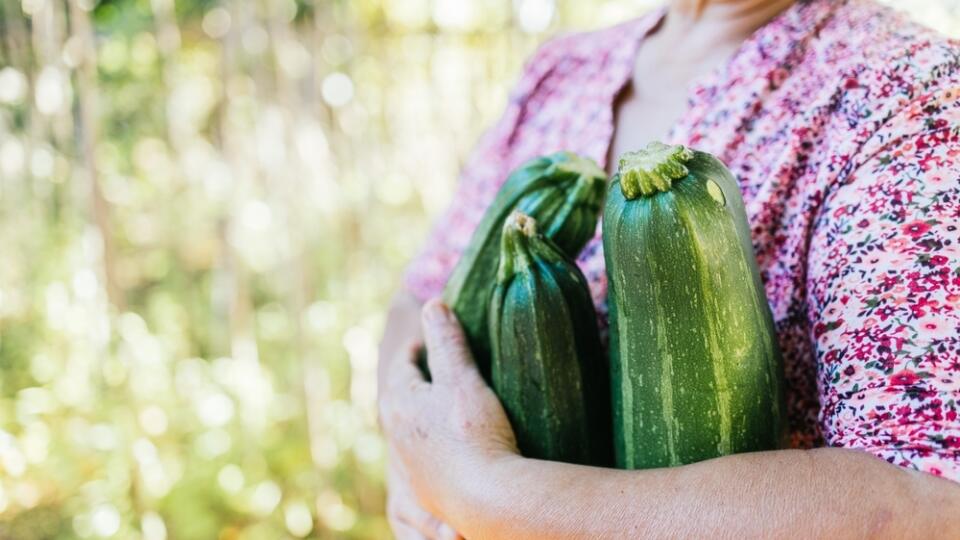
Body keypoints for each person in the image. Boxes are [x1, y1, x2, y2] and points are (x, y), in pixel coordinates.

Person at [378, 0, 960, 537]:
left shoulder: (910, 94)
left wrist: (479, 490)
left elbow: (928, 499)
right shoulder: (560, 73)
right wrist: (406, 434)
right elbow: (424, 294)